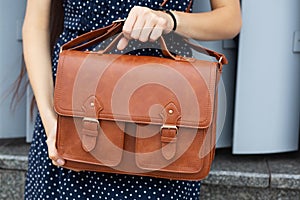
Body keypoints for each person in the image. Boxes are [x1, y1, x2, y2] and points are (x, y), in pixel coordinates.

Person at [22, 0, 241, 199]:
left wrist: (169, 19)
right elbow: (35, 26)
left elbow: (230, 18)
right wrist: (52, 124)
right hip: (73, 110)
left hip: (165, 120)